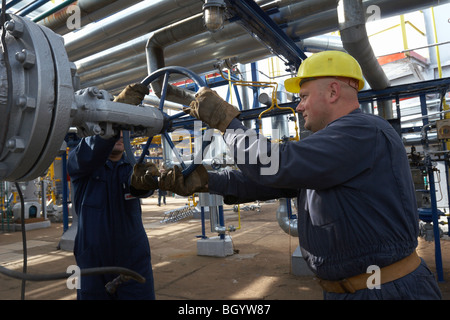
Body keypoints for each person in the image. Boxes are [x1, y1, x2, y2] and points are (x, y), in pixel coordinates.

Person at [159, 51, 442, 300]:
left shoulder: (362, 132)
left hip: (384, 291)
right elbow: (267, 180)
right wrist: (206, 181)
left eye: (304, 97)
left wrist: (227, 122)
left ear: (333, 92)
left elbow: (272, 165)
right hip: (360, 289)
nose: (298, 106)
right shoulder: (338, 142)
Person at [68, 83, 160, 300]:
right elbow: (94, 150)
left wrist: (149, 184)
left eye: (122, 129)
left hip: (133, 258)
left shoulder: (132, 166)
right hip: (91, 260)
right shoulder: (81, 159)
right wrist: (112, 124)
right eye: (113, 127)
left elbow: (141, 190)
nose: (118, 135)